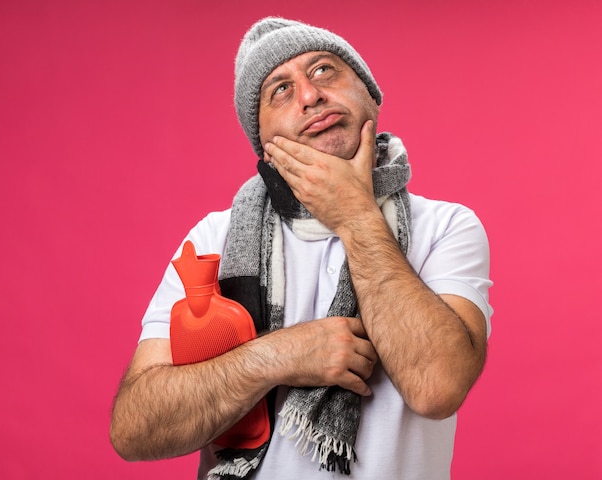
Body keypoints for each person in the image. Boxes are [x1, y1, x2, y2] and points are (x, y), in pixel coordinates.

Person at [110, 17, 493, 480]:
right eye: (280, 90)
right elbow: (135, 431)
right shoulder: (214, 239)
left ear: (371, 94)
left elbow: (437, 387)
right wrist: (281, 356)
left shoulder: (447, 227)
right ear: (264, 147)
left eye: (324, 71)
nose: (310, 96)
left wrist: (355, 217)